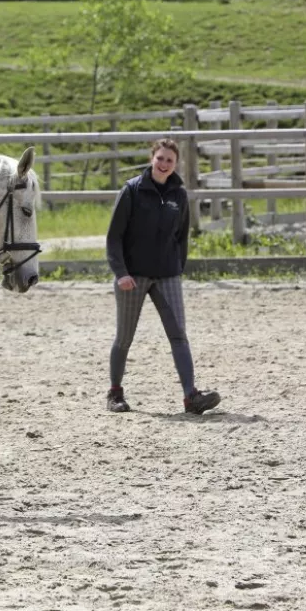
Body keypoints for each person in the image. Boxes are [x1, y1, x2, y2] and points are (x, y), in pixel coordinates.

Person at [104, 138, 221, 415]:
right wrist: (121, 273)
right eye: (160, 158)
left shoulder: (179, 195)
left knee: (178, 334)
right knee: (124, 337)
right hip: (133, 277)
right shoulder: (132, 190)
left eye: (169, 160)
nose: (164, 164)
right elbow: (114, 238)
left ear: (175, 163)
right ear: (151, 158)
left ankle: (191, 397)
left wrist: (177, 268)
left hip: (167, 275)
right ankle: (115, 393)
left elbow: (182, 237)